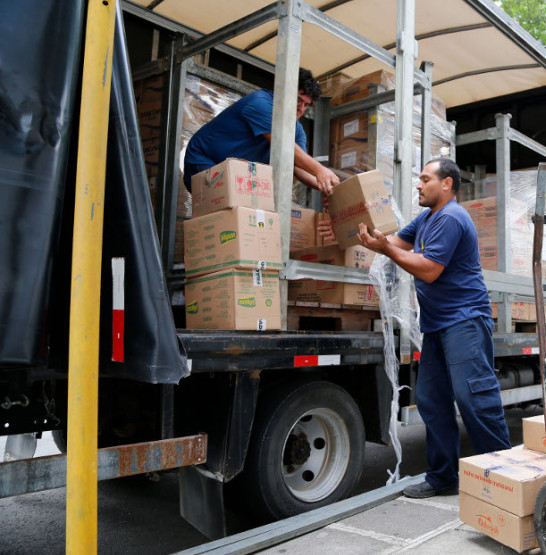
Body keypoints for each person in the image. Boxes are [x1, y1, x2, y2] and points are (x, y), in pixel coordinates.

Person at [357, 158, 511, 498]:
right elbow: (398, 241)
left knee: (475, 401)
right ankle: (443, 478)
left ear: (447, 184)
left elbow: (428, 270)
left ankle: (506, 482)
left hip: (465, 322)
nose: (418, 185)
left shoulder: (452, 218)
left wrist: (384, 249)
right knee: (431, 401)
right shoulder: (427, 219)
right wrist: (374, 239)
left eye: (425, 179)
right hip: (439, 325)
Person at [183, 68, 338, 194]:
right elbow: (284, 146)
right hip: (204, 160)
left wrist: (324, 186)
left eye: (306, 104)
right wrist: (319, 170)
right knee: (228, 210)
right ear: (283, 90)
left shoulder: (297, 131)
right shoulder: (261, 103)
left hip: (235, 174)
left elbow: (298, 165)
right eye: (298, 99)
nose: (301, 108)